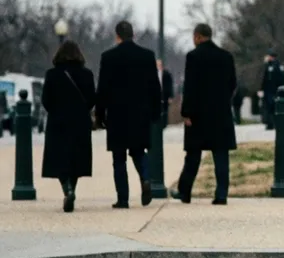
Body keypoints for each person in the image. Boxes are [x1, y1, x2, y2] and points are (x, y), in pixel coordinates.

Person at [95, 20, 160, 209]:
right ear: (133, 34)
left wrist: (99, 115)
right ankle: (146, 179)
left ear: (117, 36)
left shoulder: (108, 57)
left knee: (119, 158)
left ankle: (123, 199)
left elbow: (103, 89)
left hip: (117, 114)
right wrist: (155, 112)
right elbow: (154, 87)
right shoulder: (147, 56)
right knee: (139, 151)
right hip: (141, 113)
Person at [173, 23, 238, 205]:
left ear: (198, 37)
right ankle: (221, 194)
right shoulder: (226, 57)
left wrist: (186, 112)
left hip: (198, 115)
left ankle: (185, 192)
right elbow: (233, 84)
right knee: (221, 155)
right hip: (220, 113)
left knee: (193, 155)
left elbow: (190, 87)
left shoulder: (193, 57)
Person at [39, 40, 95, 213]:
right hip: (80, 122)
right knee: (77, 159)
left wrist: (56, 111)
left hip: (58, 122)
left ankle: (67, 189)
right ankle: (72, 189)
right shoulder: (87, 74)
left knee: (59, 158)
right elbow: (92, 99)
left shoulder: (52, 74)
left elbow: (45, 100)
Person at [259, 49, 284, 130]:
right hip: (274, 90)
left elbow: (266, 79)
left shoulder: (271, 66)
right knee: (273, 107)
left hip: (270, 91)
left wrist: (262, 89)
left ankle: (270, 124)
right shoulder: (278, 65)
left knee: (270, 107)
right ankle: (273, 123)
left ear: (271, 57)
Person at [156, 59, 174, 125]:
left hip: (165, 96)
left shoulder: (167, 74)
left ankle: (164, 124)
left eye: (159, 64)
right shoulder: (152, 73)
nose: (158, 66)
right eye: (157, 64)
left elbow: (170, 86)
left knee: (165, 112)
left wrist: (171, 96)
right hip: (156, 96)